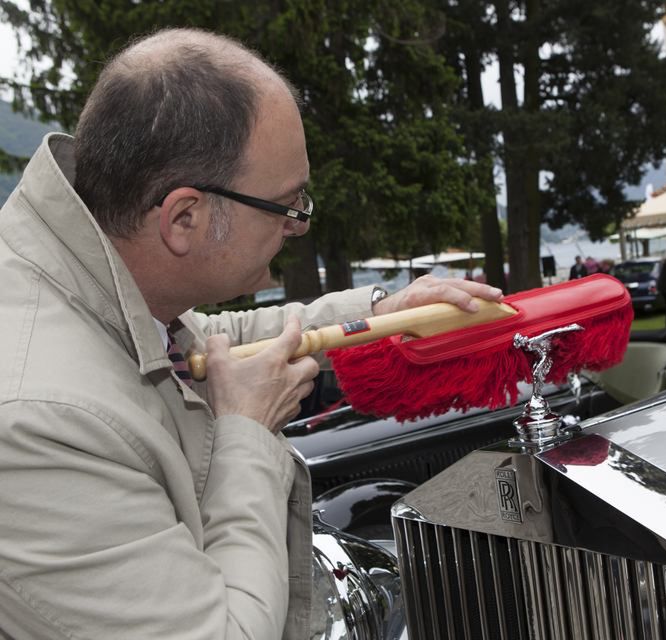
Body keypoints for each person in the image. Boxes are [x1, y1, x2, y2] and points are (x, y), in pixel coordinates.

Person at [0, 28, 502, 639]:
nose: (297, 228)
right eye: (287, 206)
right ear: (184, 218)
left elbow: (203, 340)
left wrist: (385, 308)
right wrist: (248, 432)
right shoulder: (42, 421)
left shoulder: (84, 278)